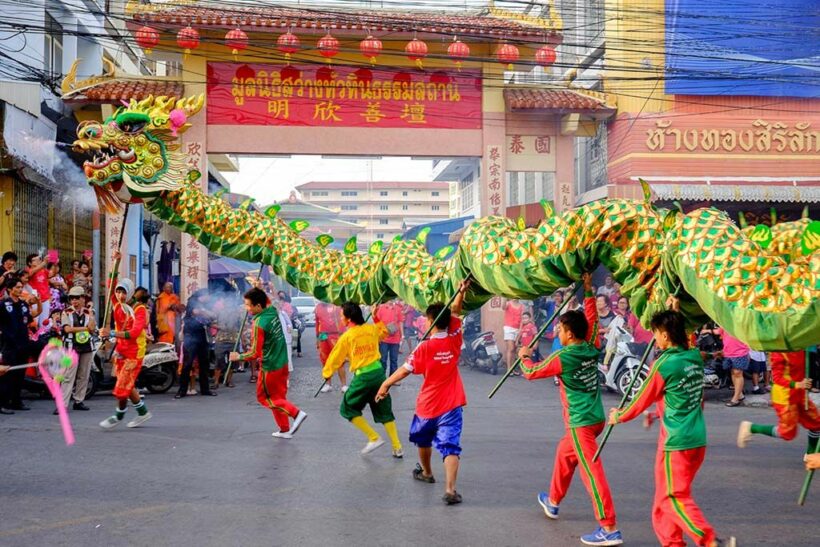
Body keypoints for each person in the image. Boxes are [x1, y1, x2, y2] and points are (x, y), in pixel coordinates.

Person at [608, 300, 734, 547]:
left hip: (676, 442)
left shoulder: (664, 364)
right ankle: (672, 543)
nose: (655, 339)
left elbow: (641, 399)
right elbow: (685, 346)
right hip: (697, 439)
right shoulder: (693, 357)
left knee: (671, 498)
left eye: (656, 334)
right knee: (662, 501)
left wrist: (618, 415)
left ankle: (708, 539)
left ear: (664, 335)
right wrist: (675, 314)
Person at [518, 273, 622, 546]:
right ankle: (552, 501)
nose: (557, 332)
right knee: (564, 455)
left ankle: (609, 526)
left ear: (570, 334)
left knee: (592, 472)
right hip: (595, 418)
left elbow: (531, 372)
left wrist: (524, 356)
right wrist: (588, 290)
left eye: (561, 329)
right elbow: (593, 318)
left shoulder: (563, 357)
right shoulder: (591, 346)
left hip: (581, 423)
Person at [376, 280, 470, 505]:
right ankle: (450, 489)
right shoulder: (455, 337)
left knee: (423, 440)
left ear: (430, 321)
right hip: (452, 405)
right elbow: (455, 310)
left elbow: (404, 371)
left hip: (427, 406)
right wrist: (461, 292)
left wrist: (385, 384)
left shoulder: (424, 347)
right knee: (450, 446)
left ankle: (427, 473)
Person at [322, 301, 403, 457]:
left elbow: (335, 357)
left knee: (347, 408)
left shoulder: (347, 336)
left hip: (364, 377)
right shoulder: (371, 329)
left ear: (348, 318)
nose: (340, 318)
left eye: (342, 315)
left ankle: (373, 437)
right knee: (384, 409)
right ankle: (397, 447)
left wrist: (327, 373)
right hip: (379, 375)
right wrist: (376, 318)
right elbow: (384, 332)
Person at [229, 288, 307, 439]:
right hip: (283, 362)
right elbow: (268, 298)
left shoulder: (259, 323)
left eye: (248, 305)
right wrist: (258, 287)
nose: (247, 308)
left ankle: (296, 413)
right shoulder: (271, 309)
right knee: (278, 397)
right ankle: (284, 429)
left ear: (258, 306)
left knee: (264, 397)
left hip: (270, 366)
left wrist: (238, 356)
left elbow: (254, 353)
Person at [737, 350, 820, 459]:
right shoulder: (779, 351)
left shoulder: (801, 346)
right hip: (785, 398)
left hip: (800, 394)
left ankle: (811, 455)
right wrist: (797, 384)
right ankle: (752, 428)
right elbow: (777, 378)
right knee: (787, 433)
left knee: (816, 423)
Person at [98, 277, 152, 429]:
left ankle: (119, 415)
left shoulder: (139, 310)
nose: (120, 296)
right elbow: (111, 282)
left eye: (124, 292)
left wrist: (112, 333)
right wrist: (116, 260)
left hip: (134, 353)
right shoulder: (116, 304)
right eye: (118, 292)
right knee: (127, 384)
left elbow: (134, 333)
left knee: (122, 387)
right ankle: (142, 412)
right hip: (121, 351)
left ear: (130, 293)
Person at [59, 286, 97, 412]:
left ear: (83, 299)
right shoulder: (66, 312)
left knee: (84, 375)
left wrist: (91, 315)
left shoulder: (89, 312)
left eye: (77, 298)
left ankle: (79, 400)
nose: (74, 301)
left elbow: (93, 327)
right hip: (71, 347)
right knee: (68, 375)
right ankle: (63, 404)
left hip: (86, 346)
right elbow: (67, 329)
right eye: (72, 298)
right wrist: (86, 329)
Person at [0, 276, 34, 414]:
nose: (20, 290)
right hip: (9, 345)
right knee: (7, 375)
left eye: (21, 287)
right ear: (9, 289)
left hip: (23, 344)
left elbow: (29, 321)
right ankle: (2, 403)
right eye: (17, 287)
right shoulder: (3, 305)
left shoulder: (23, 305)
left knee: (20, 375)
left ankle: (16, 401)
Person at [176, 289, 217, 398]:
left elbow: (213, 316)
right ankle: (182, 391)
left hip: (203, 335)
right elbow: (196, 312)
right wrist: (205, 312)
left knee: (205, 363)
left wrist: (205, 311)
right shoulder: (192, 301)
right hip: (190, 335)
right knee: (187, 364)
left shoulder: (206, 304)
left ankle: (205, 389)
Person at [315, 301, 347, 393]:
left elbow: (344, 319)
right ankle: (328, 384)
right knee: (325, 361)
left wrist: (343, 335)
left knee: (339, 360)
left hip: (336, 336)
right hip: (323, 337)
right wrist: (317, 337)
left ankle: (344, 385)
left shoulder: (337, 305)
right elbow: (317, 324)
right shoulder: (318, 307)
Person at [714, 326, 750, 407]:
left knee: (737, 373)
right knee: (733, 373)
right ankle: (739, 395)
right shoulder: (724, 322)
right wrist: (707, 330)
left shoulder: (740, 322)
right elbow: (719, 331)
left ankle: (735, 399)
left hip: (740, 352)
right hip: (728, 352)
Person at [375, 299, 404, 376]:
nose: (391, 300)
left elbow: (401, 322)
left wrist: (402, 335)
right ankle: (382, 376)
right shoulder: (381, 308)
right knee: (383, 359)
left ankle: (392, 378)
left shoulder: (398, 308)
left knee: (394, 360)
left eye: (393, 297)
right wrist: (378, 336)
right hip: (384, 339)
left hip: (395, 339)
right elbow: (377, 322)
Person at [26, 253, 50, 326]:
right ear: (29, 263)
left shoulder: (44, 270)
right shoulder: (28, 270)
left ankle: (43, 336)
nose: (38, 261)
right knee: (34, 323)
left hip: (45, 299)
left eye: (39, 259)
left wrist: (55, 264)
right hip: (34, 299)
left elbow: (53, 273)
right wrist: (44, 262)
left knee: (44, 323)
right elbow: (31, 273)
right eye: (34, 260)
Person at [502, 299, 524, 375]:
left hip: (517, 329)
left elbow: (522, 319)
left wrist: (520, 330)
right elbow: (503, 307)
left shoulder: (521, 306)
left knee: (514, 349)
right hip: (509, 328)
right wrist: (504, 297)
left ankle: (512, 369)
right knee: (510, 348)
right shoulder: (508, 303)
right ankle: (508, 369)